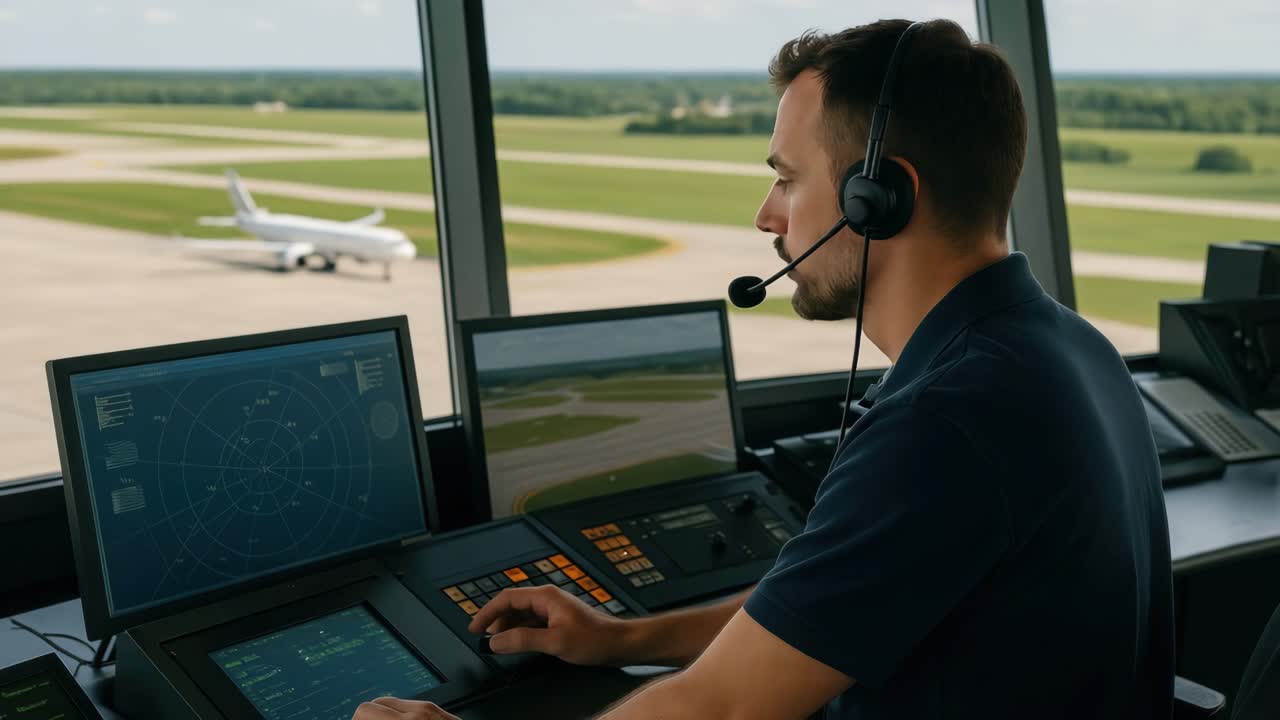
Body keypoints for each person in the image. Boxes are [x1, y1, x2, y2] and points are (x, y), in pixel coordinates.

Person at [353, 17, 1174, 720]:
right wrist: (623, 637)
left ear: (877, 196)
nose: (767, 216)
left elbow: (722, 706)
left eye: (786, 179)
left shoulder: (949, 418)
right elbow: (825, 605)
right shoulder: (1063, 346)